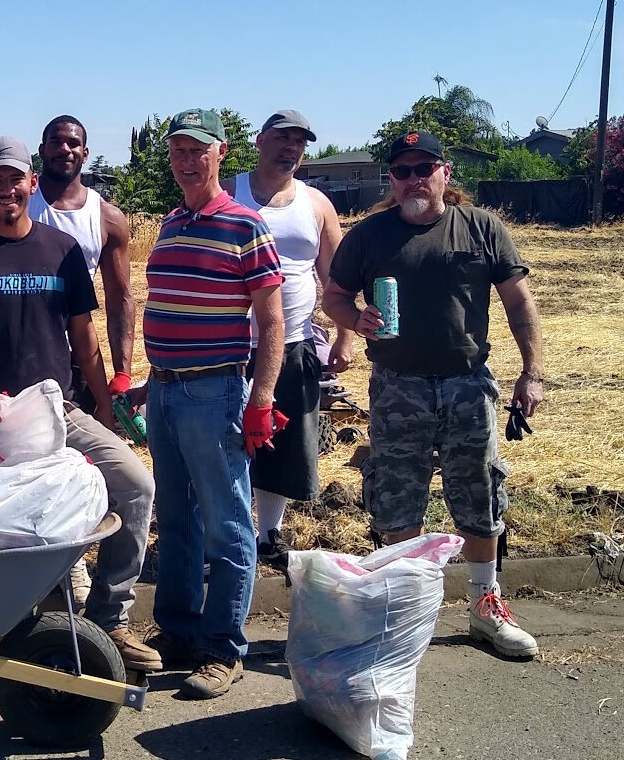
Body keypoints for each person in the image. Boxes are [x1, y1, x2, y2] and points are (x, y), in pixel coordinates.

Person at [0, 136, 162, 673]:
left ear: (32, 185)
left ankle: (109, 620)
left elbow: (85, 336)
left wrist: (104, 408)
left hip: (59, 411)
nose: (7, 190)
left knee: (136, 485)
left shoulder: (62, 250)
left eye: (16, 179)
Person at [0, 28, 144, 612]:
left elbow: (113, 306)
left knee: (132, 485)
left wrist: (112, 389)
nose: (66, 150)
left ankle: (109, 615)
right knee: (3, 511)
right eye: (55, 142)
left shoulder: (96, 225)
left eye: (75, 143)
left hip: (65, 396)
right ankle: (19, 614)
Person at [323, 129, 546, 660]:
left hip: (468, 381)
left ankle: (484, 604)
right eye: (402, 171)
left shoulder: (482, 227)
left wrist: (531, 373)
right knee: (398, 495)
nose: (413, 179)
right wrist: (356, 320)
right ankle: (405, 612)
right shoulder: (369, 236)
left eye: (424, 168)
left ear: (446, 174)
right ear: (391, 180)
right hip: (397, 386)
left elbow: (519, 303)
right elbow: (333, 297)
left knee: (479, 491)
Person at [139, 108, 288, 699]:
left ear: (222, 153)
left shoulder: (246, 226)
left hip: (214, 391)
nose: (187, 160)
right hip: (168, 389)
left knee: (227, 524)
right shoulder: (172, 224)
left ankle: (223, 649)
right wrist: (150, 382)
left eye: (198, 150)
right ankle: (176, 633)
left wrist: (262, 396)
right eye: (178, 150)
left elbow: (271, 323)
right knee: (176, 521)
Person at [220, 109, 355, 569]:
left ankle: (268, 534)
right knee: (226, 442)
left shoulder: (316, 204)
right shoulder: (228, 193)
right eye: (282, 138)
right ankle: (222, 534)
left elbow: (335, 279)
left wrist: (343, 337)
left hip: (293, 343)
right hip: (230, 344)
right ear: (259, 141)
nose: (290, 148)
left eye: (299, 141)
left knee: (283, 441)